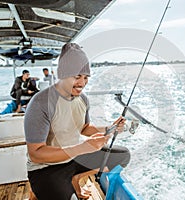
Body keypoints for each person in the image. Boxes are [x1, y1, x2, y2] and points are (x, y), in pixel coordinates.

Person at [24, 43, 130, 200]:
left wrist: (110, 128)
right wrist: (82, 148)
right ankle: (38, 190)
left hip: (73, 158)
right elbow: (36, 155)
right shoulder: (40, 102)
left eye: (86, 77)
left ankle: (76, 178)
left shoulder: (83, 99)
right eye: (77, 76)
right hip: (45, 169)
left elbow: (84, 128)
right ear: (62, 74)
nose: (82, 83)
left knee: (122, 156)